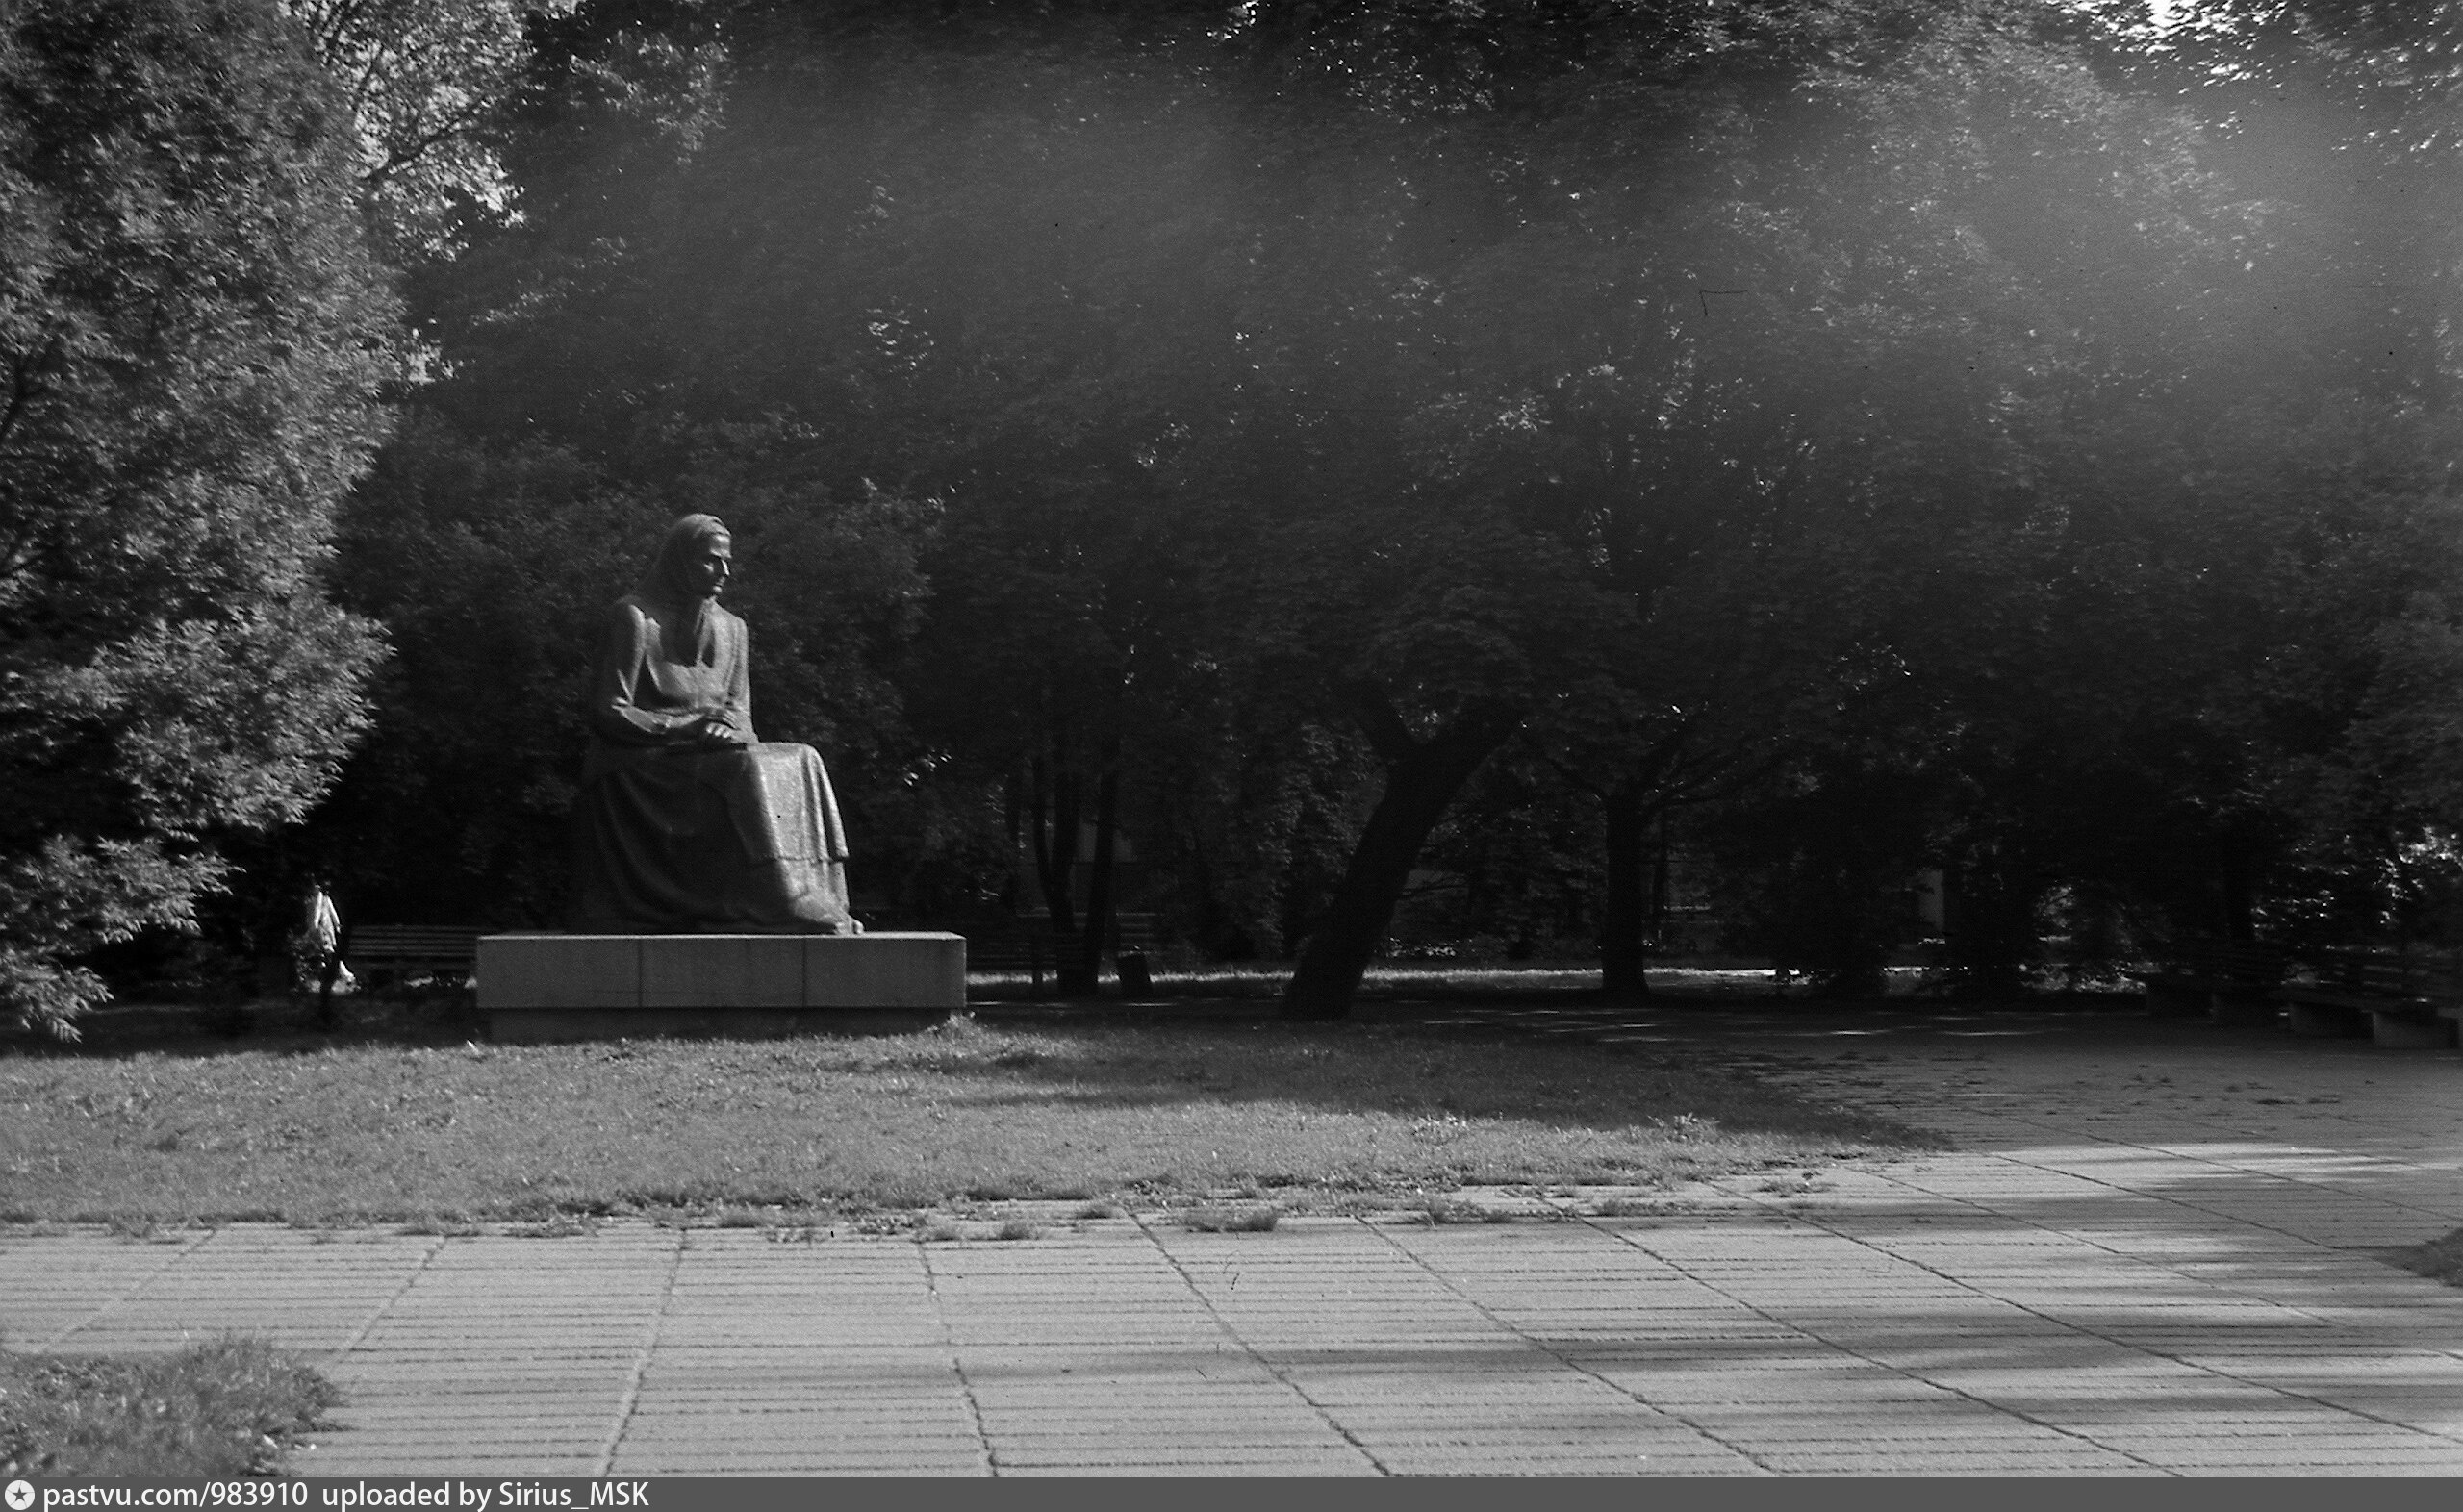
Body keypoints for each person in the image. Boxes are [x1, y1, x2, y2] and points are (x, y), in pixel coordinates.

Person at [571, 514, 863, 934]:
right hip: (640, 760)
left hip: (709, 753)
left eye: (727, 561)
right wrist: (685, 729)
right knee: (747, 768)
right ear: (679, 561)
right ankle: (780, 895)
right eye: (710, 560)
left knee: (804, 757)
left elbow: (740, 713)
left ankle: (818, 890)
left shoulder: (733, 629)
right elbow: (609, 711)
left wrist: (731, 730)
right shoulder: (634, 618)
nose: (723, 571)